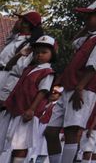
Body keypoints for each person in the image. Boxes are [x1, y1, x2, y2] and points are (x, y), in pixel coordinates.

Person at [45, 0, 96, 163]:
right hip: (70, 87)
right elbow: (73, 43)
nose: (86, 19)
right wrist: (86, 27)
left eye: (91, 16)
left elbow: (93, 67)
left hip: (82, 89)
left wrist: (79, 88)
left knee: (71, 131)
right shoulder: (90, 37)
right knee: (50, 131)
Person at [0, 35, 55, 163]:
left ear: (52, 54)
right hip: (15, 107)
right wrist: (21, 54)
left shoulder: (47, 71)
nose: (39, 55)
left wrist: (31, 109)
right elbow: (9, 65)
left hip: (27, 110)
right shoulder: (29, 68)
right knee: (9, 141)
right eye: (37, 52)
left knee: (21, 144)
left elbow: (43, 91)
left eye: (44, 52)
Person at [0, 12, 44, 103]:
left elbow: (18, 70)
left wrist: (6, 92)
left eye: (20, 19)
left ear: (26, 24)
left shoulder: (28, 44)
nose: (17, 21)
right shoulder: (15, 37)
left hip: (6, 79)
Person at [34, 86, 63, 163]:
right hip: (40, 127)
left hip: (49, 128)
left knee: (44, 150)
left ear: (60, 96)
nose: (52, 94)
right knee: (36, 148)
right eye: (52, 92)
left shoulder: (58, 106)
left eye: (55, 93)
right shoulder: (46, 103)